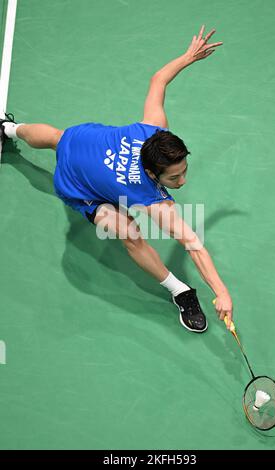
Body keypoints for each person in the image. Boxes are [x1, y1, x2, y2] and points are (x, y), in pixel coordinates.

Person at [0, 25, 233, 333]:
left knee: (58, 137)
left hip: (83, 140)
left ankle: (7, 129)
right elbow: (191, 242)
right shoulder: (152, 200)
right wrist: (222, 291)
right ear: (152, 174)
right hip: (78, 185)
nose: (183, 181)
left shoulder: (153, 130)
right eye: (175, 177)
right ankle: (180, 291)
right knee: (128, 232)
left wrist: (188, 57)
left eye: (184, 170)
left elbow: (158, 80)